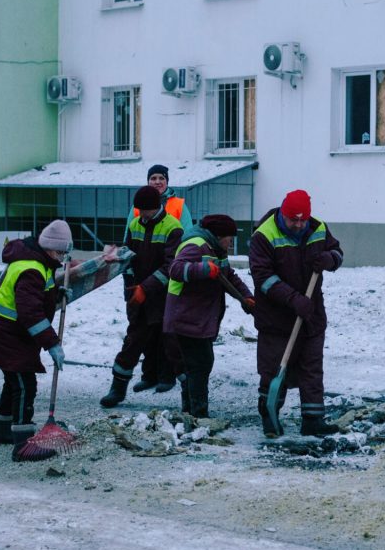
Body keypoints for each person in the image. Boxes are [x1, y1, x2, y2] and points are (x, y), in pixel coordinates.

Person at [249, 190, 344, 438]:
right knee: (273, 370)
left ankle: (313, 420)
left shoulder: (318, 229)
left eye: (303, 220)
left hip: (312, 315)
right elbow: (263, 278)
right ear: (283, 213)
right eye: (294, 220)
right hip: (276, 319)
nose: (299, 225)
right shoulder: (264, 235)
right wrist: (293, 300)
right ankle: (269, 417)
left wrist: (329, 259)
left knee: (312, 368)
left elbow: (337, 253)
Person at [0, 220, 72, 462]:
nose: (61, 258)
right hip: (7, 333)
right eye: (59, 252)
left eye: (64, 253)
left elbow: (35, 295)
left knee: (13, 382)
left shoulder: (38, 260)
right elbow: (30, 312)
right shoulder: (32, 267)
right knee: (24, 385)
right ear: (48, 247)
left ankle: (2, 432)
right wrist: (52, 343)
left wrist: (55, 295)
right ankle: (23, 444)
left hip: (7, 331)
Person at [100, 186, 184, 407]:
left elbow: (170, 267)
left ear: (156, 207)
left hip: (164, 296)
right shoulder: (135, 224)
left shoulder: (173, 228)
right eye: (140, 210)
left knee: (169, 341)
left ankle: (186, 387)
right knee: (135, 340)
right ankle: (118, 388)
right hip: (138, 295)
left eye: (145, 210)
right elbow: (128, 257)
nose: (142, 215)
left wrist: (145, 287)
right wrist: (130, 288)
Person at [163, 214, 253, 418]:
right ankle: (198, 414)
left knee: (197, 364)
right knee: (201, 363)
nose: (231, 244)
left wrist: (246, 297)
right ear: (219, 235)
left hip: (197, 316)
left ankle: (190, 410)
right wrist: (203, 269)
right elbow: (175, 269)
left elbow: (227, 275)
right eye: (230, 239)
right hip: (184, 315)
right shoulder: (196, 245)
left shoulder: (216, 250)